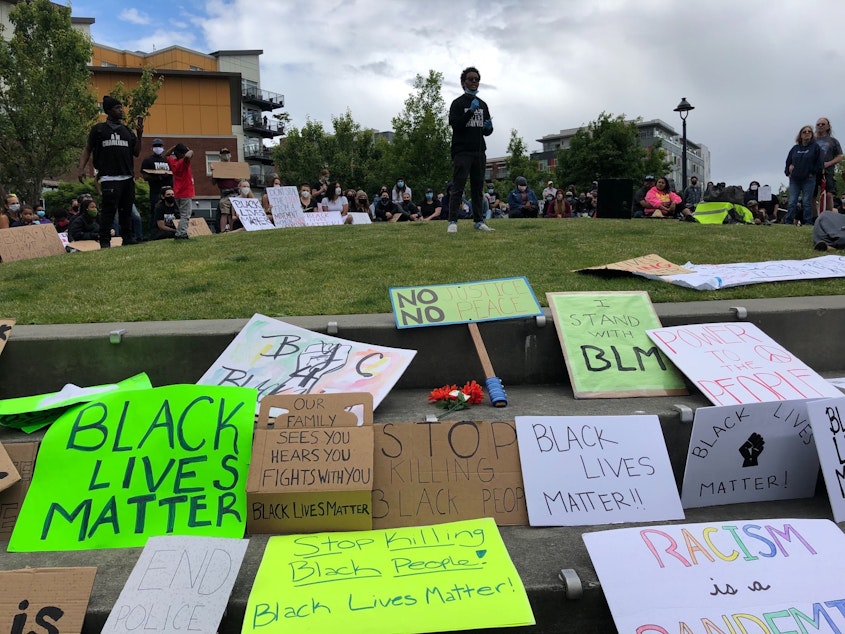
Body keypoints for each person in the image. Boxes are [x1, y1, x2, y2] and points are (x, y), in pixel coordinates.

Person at [79, 95, 142, 248]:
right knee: (108, 212)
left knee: (126, 211)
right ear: (108, 111)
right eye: (117, 108)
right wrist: (81, 168)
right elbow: (88, 149)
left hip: (127, 177)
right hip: (109, 177)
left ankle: (127, 238)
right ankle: (105, 241)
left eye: (121, 107)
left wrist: (139, 135)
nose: (121, 110)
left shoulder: (127, 131)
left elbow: (136, 153)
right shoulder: (99, 129)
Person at [446, 66, 494, 233]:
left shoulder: (483, 104)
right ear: (463, 82)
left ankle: (479, 221)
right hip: (462, 151)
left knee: (477, 187)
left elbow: (486, 131)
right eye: (471, 79)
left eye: (477, 79)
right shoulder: (457, 104)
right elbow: (456, 126)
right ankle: (453, 221)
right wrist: (470, 112)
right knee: (458, 186)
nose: (474, 82)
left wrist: (489, 127)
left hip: (479, 151)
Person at [785, 125, 822, 226]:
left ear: (812, 134)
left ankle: (808, 222)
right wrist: (788, 173)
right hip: (795, 179)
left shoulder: (815, 147)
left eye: (809, 131)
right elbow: (788, 161)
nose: (807, 133)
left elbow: (819, 163)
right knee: (792, 201)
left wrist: (812, 172)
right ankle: (788, 221)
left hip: (808, 179)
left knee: (806, 201)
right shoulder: (795, 148)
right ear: (800, 135)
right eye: (804, 132)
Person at [141, 138, 173, 234]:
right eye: (156, 146)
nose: (158, 148)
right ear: (152, 148)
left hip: (168, 192)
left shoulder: (166, 161)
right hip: (156, 192)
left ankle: (169, 230)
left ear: (163, 147)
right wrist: (158, 178)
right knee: (155, 212)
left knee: (169, 212)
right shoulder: (148, 160)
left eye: (159, 146)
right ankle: (154, 232)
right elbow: (145, 176)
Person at [165, 142, 194, 240]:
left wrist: (173, 147)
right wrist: (190, 150)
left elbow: (165, 155)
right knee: (186, 215)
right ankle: (180, 234)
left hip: (177, 193)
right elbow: (187, 156)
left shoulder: (174, 163)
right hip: (186, 192)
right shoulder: (183, 162)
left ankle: (181, 232)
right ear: (182, 154)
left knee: (182, 214)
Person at [814, 118, 843, 214]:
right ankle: (814, 219)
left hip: (828, 171)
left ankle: (828, 217)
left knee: (829, 195)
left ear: (828, 126)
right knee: (811, 195)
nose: (820, 126)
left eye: (823, 124)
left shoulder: (833, 141)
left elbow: (840, 156)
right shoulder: (811, 140)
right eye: (818, 124)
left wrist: (828, 163)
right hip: (813, 171)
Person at [213, 147, 240, 232]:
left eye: (227, 153)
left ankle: (232, 229)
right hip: (225, 194)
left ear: (230, 155)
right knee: (225, 213)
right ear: (220, 156)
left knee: (233, 214)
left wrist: (235, 177)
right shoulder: (217, 168)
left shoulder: (235, 167)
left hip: (235, 193)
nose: (226, 155)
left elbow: (239, 179)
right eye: (224, 154)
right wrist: (214, 173)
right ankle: (223, 230)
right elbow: (213, 181)